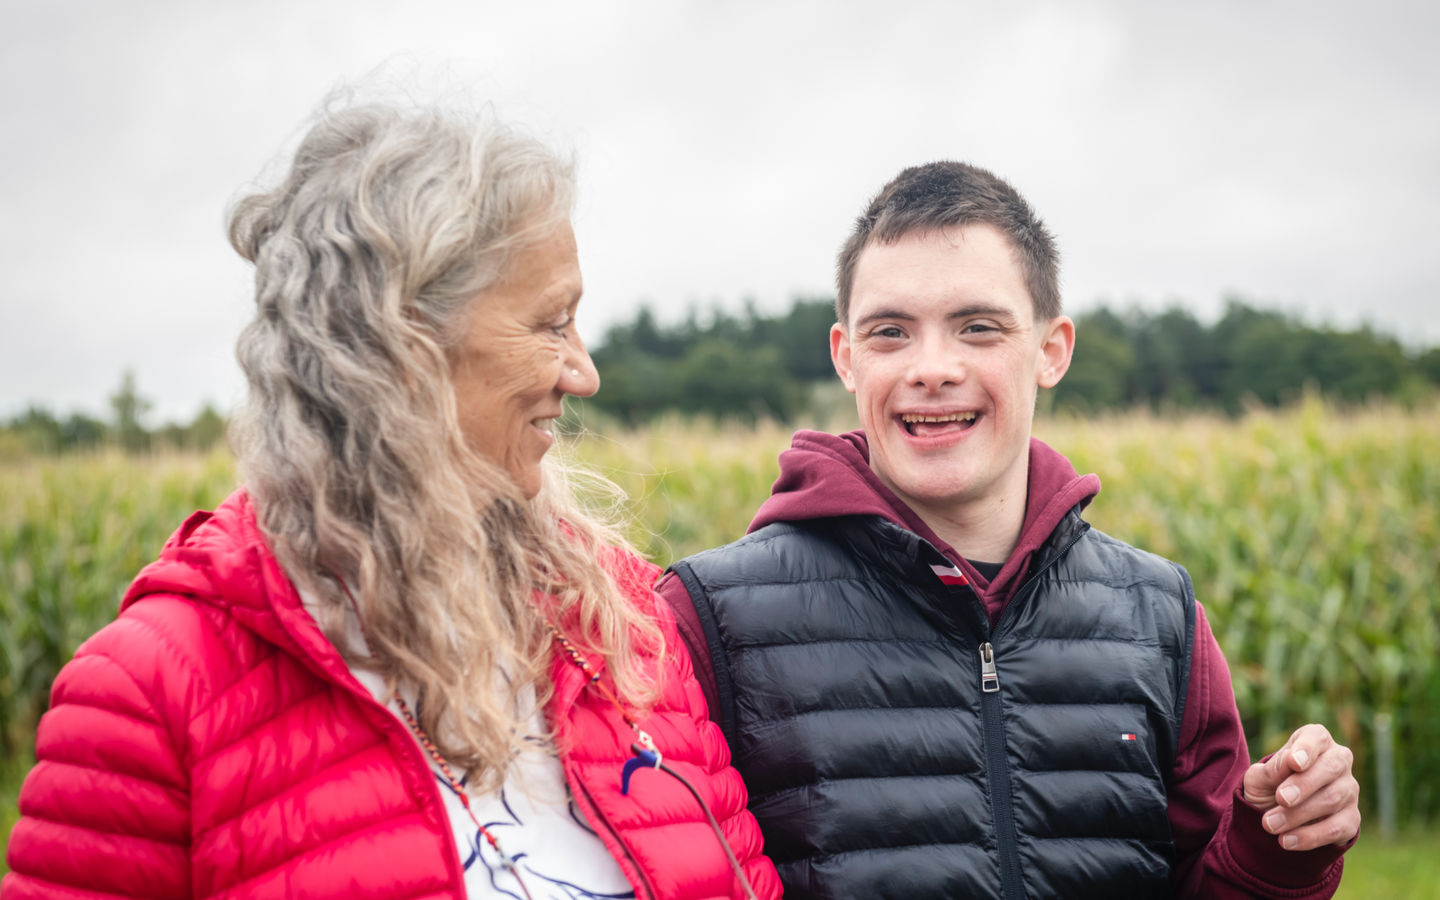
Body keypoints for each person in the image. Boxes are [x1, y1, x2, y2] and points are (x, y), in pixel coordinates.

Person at [2, 99, 780, 900]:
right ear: (399, 345)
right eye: (552, 324)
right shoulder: (153, 694)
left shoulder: (619, 622)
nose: (583, 375)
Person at [658, 161, 1360, 899]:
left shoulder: (1158, 615)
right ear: (846, 357)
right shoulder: (709, 619)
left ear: (1051, 351)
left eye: (978, 328)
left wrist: (1276, 847)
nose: (932, 368)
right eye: (891, 331)